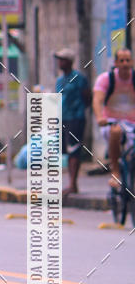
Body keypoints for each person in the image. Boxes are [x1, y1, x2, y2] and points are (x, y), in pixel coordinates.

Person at [92, 47, 135, 188]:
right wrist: (99, 118)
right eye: (121, 60)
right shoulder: (106, 79)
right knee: (115, 132)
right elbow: (97, 100)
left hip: (132, 124)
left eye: (127, 60)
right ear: (116, 63)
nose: (124, 63)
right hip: (111, 122)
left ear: (132, 62)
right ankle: (115, 172)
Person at [54, 48, 91, 195]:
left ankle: (72, 184)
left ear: (69, 62)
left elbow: (87, 97)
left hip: (76, 118)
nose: (60, 62)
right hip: (63, 118)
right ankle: (71, 183)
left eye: (62, 59)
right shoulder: (59, 80)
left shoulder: (79, 78)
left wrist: (79, 109)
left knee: (74, 150)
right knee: (67, 152)